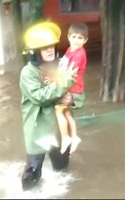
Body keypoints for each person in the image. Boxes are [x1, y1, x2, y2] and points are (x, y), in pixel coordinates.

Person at [19, 21, 78, 191]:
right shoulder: (28, 72)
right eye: (44, 47)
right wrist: (65, 82)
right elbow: (40, 97)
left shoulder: (59, 66)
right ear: (35, 51)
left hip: (58, 128)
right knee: (32, 173)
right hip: (38, 129)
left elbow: (71, 94)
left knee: (62, 169)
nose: (50, 49)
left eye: (51, 45)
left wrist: (71, 99)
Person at [49, 23, 88, 154]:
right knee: (66, 112)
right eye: (74, 37)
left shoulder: (79, 54)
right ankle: (75, 137)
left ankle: (66, 138)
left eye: (80, 38)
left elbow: (70, 72)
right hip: (69, 87)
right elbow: (62, 66)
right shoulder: (69, 50)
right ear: (69, 37)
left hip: (72, 88)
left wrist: (56, 78)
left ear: (85, 40)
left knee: (58, 110)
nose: (76, 40)